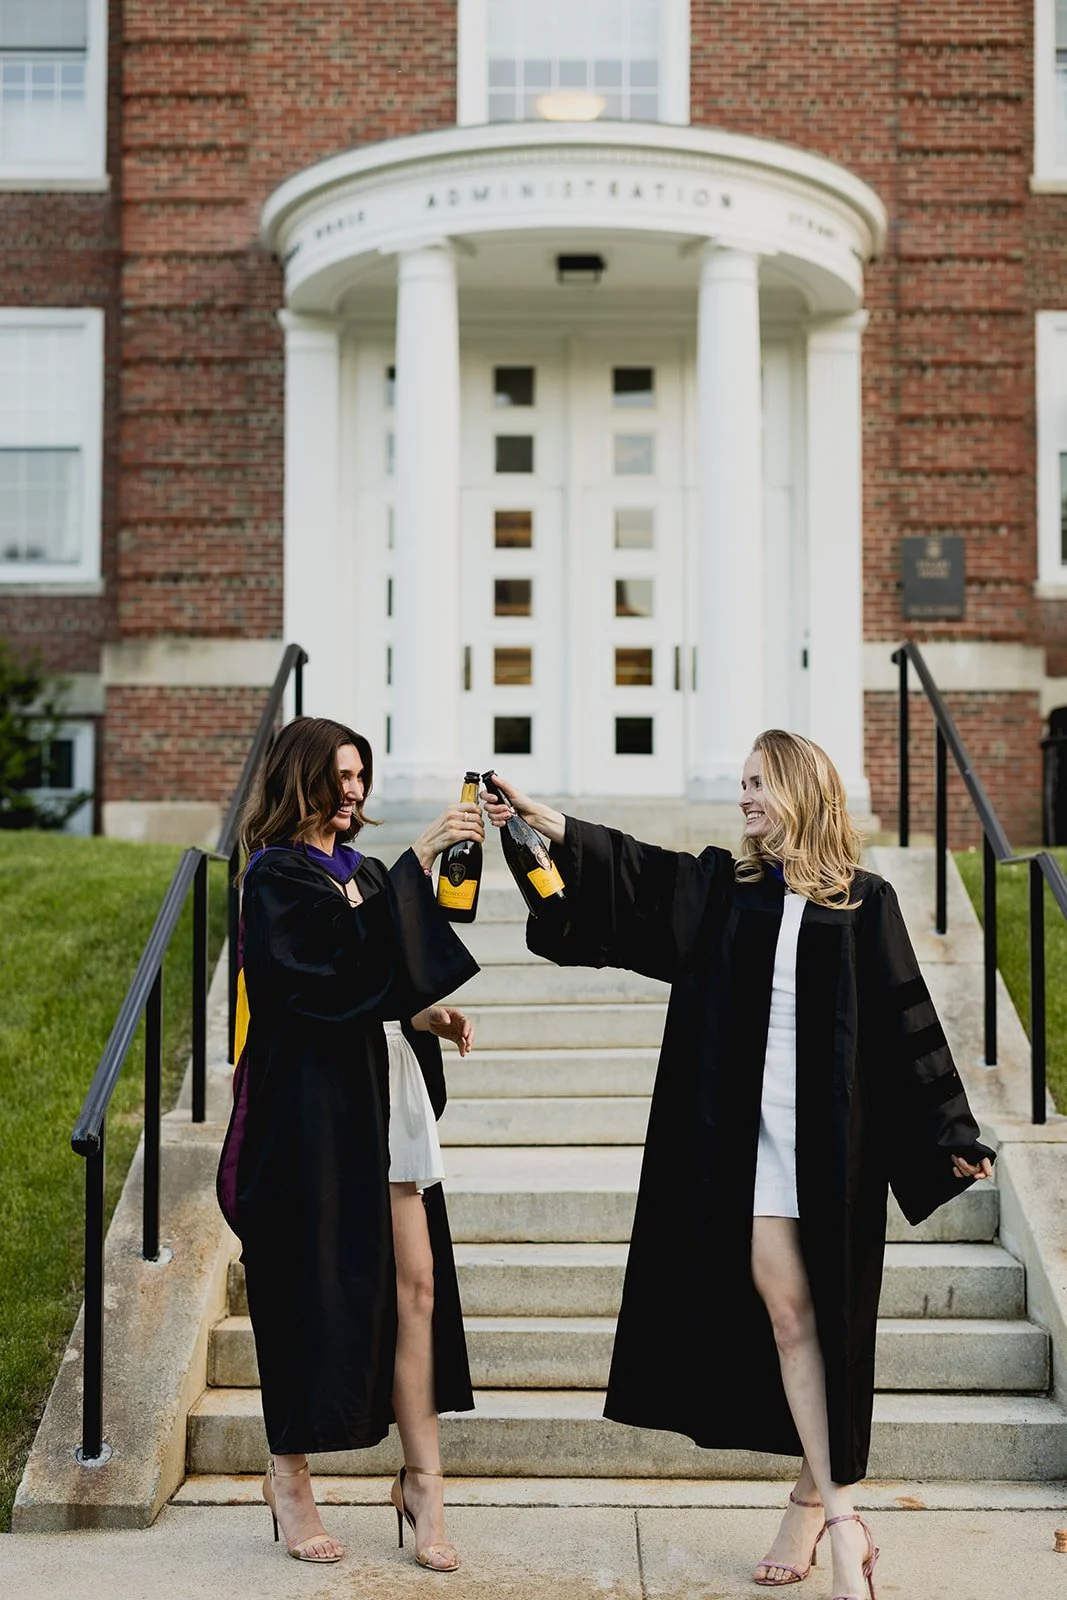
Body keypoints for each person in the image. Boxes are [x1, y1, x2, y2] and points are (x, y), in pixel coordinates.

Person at [484, 731, 994, 1600]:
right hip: (743, 1140)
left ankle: (815, 1508)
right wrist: (547, 822)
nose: (745, 798)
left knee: (822, 1320)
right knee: (787, 1314)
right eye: (742, 784)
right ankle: (843, 1522)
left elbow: (908, 1026)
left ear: (798, 790)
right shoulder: (727, 889)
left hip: (830, 1147)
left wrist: (949, 1130)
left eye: (757, 783)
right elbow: (638, 876)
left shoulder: (863, 904)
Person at [217, 717, 485, 1570]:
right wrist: (417, 859)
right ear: (303, 778)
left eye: (362, 773)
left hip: (388, 1096)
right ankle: (289, 1478)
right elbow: (315, 980)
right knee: (306, 1288)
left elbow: (382, 971)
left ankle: (422, 1486)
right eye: (341, 774)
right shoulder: (275, 878)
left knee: (417, 1288)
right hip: (312, 1114)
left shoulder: (361, 870)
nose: (356, 787)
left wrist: (422, 1011)